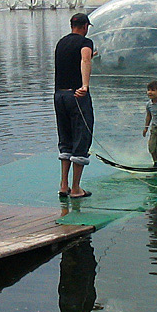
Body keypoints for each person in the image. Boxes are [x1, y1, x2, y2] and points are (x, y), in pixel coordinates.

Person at [54, 13, 95, 198]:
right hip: (76, 96)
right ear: (85, 26)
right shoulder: (85, 42)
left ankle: (63, 185)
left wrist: (89, 56)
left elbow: (76, 60)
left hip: (59, 95)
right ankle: (76, 188)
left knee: (65, 139)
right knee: (81, 138)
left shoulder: (61, 43)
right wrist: (85, 86)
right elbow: (84, 59)